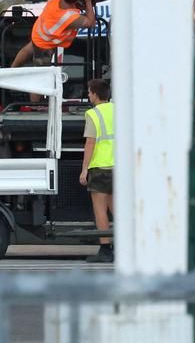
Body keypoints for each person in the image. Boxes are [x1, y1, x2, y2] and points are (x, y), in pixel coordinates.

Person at [10, 0, 97, 68]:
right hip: (46, 43)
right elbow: (91, 23)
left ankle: (11, 70)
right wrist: (88, 1)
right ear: (77, 0)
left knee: (28, 50)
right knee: (42, 67)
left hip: (37, 33)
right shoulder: (67, 17)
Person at [79, 78, 114, 263]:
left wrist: (84, 169)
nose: (88, 95)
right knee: (117, 209)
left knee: (100, 210)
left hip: (100, 167)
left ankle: (106, 249)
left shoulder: (93, 114)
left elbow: (90, 143)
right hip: (118, 167)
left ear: (94, 93)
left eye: (89, 92)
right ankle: (125, 244)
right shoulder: (118, 110)